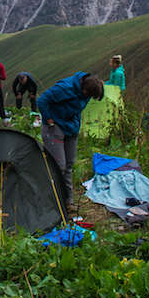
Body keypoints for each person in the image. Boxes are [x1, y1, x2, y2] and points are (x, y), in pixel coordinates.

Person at [37, 72, 104, 209]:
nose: (89, 99)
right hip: (54, 127)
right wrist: (48, 118)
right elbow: (42, 100)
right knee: (58, 166)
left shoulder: (86, 91)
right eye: (89, 96)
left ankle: (68, 201)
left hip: (71, 129)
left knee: (68, 165)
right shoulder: (64, 89)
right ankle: (49, 201)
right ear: (84, 90)